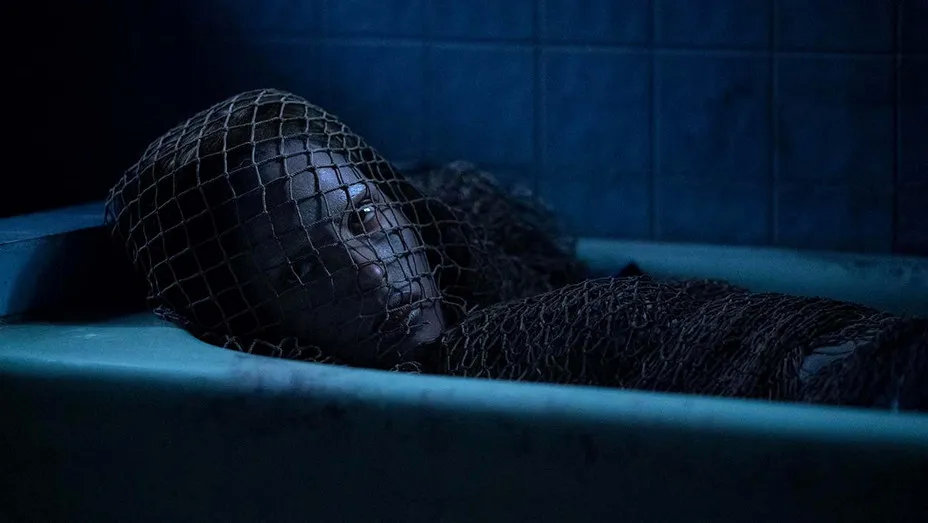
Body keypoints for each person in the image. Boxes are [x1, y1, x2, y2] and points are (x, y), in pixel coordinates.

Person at [107, 89, 926, 410]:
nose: (370, 272)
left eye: (362, 217)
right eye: (301, 269)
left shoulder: (481, 255)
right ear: (254, 313)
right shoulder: (514, 345)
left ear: (394, 199)